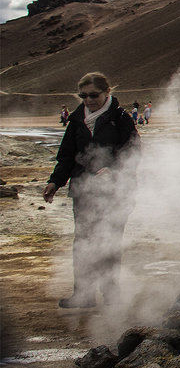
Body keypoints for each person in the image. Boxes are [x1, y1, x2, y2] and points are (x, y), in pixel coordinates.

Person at [44, 72, 140, 309]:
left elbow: (133, 152)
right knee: (84, 242)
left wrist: (113, 170)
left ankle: (110, 295)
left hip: (115, 192)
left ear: (107, 92)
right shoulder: (77, 120)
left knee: (109, 243)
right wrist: (55, 182)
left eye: (93, 95)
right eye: (83, 96)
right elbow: (67, 156)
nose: (88, 100)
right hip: (83, 190)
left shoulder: (120, 118)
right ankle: (83, 294)